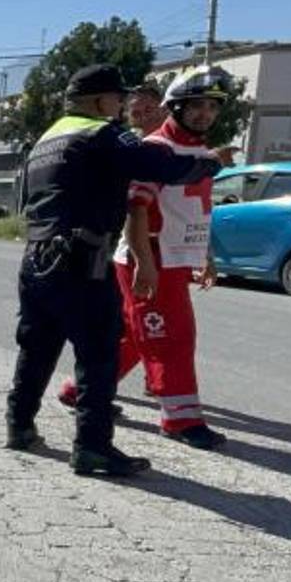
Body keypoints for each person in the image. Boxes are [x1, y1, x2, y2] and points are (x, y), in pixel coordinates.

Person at [5, 64, 230, 476]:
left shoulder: (46, 138)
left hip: (35, 257)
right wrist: (209, 163)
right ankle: (92, 447)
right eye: (117, 98)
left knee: (36, 347)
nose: (122, 105)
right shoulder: (101, 132)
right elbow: (157, 165)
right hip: (81, 257)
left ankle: (19, 426)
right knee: (99, 354)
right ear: (98, 101)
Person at [62, 67, 234, 450]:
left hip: (173, 258)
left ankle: (80, 390)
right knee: (170, 336)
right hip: (150, 256)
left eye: (211, 107)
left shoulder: (198, 152)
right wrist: (145, 262)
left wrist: (204, 255)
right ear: (176, 107)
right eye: (196, 106)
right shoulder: (158, 149)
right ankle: (181, 419)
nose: (205, 114)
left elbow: (195, 212)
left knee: (137, 336)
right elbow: (136, 209)